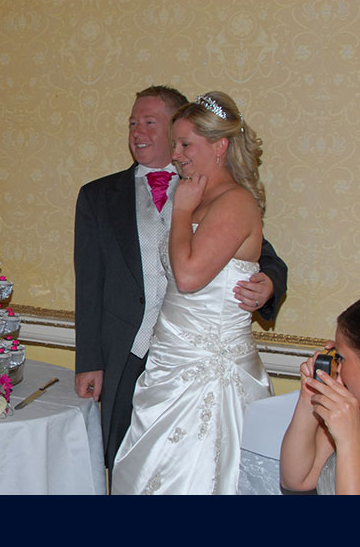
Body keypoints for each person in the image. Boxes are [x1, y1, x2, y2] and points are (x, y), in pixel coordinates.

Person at [74, 86, 287, 490]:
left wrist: (270, 282)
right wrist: (90, 358)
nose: (140, 131)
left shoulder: (213, 196)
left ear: (218, 146)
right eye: (133, 122)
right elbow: (89, 283)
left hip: (204, 365)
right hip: (135, 354)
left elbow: (251, 257)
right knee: (131, 464)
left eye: (152, 124)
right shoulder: (99, 196)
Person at [280, 294, 360, 495]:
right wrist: (309, 396)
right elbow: (296, 479)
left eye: (341, 357)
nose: (336, 367)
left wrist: (349, 440)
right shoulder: (358, 408)